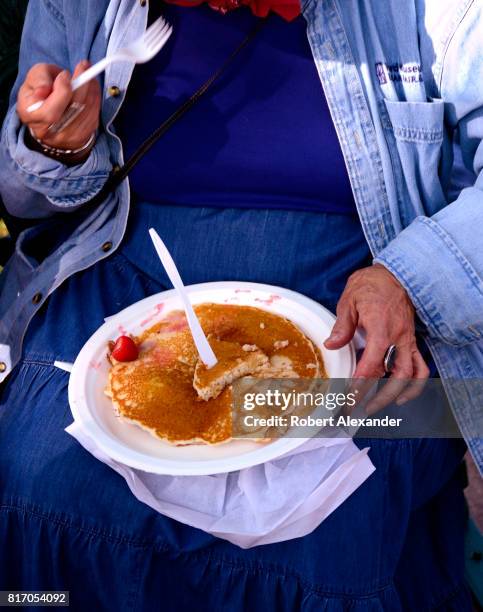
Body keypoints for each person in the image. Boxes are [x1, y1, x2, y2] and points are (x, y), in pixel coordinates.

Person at [0, 0, 480, 608]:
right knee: (36, 474)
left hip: (371, 288)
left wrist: (409, 277)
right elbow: (21, 200)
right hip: (127, 272)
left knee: (336, 522)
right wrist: (60, 147)